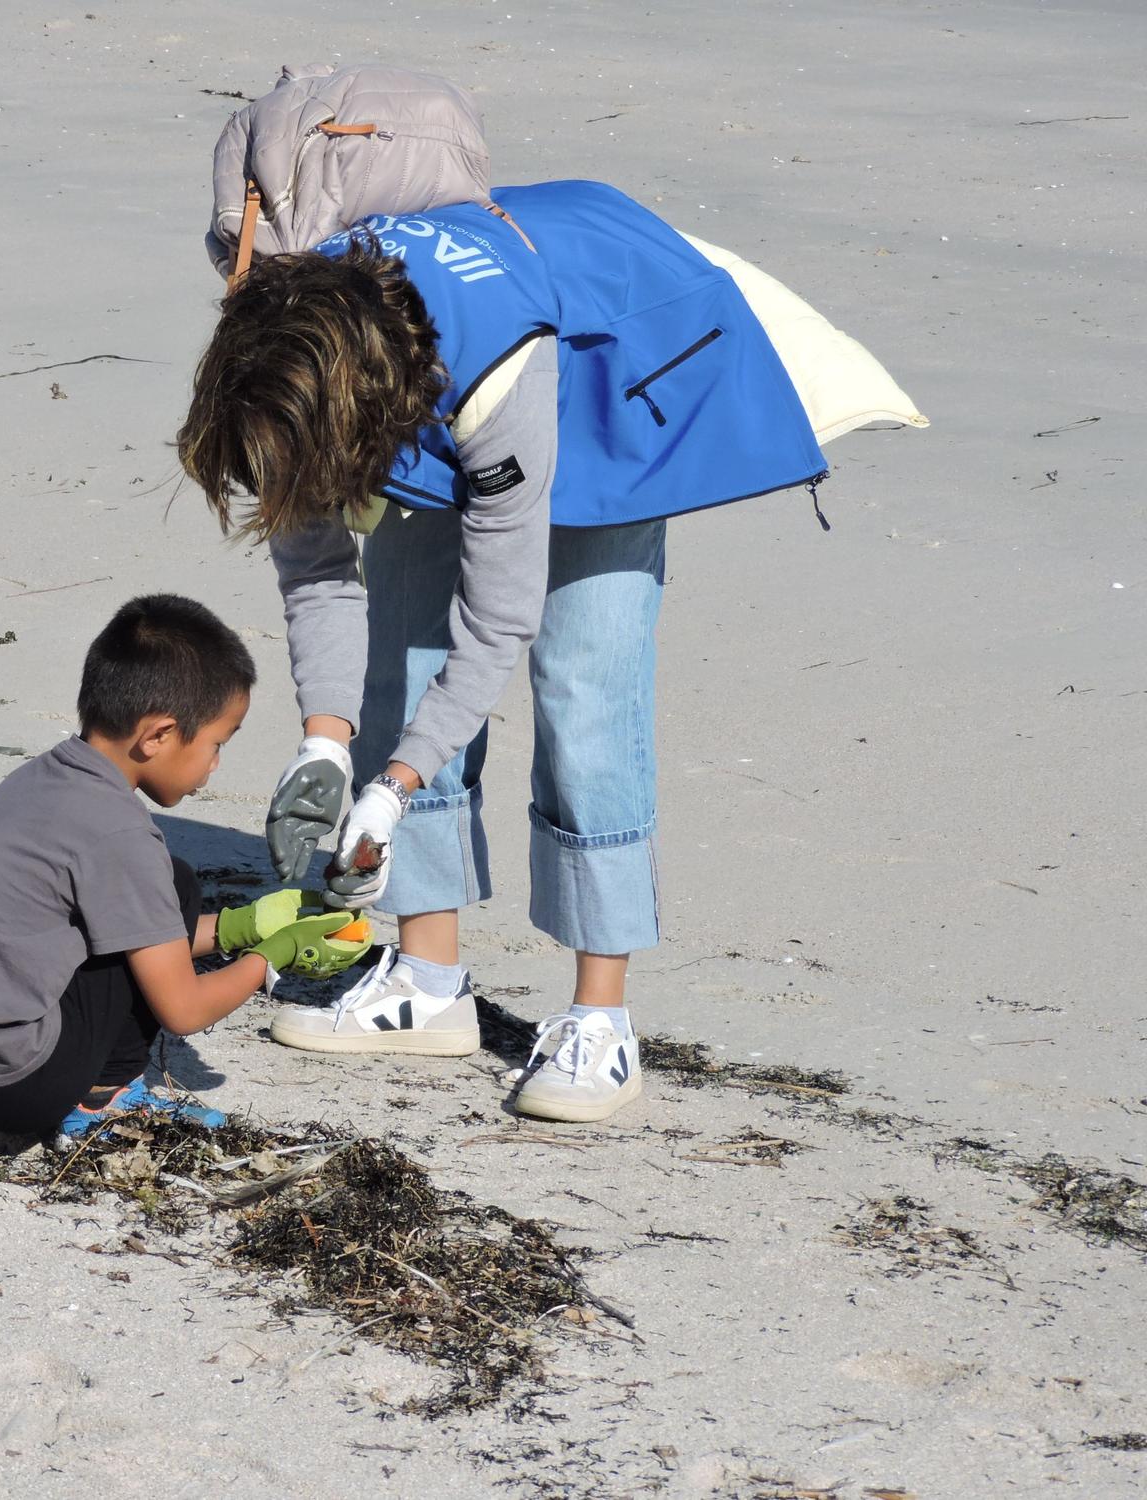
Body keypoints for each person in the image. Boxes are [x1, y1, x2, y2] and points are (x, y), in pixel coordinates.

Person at [178, 67, 839, 1124]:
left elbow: (498, 621)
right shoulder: (283, 350)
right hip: (414, 381)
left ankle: (599, 1017)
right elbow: (314, 571)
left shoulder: (494, 376)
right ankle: (428, 980)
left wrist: (387, 787)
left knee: (584, 687)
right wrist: (325, 740)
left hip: (601, 365)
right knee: (401, 650)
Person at [0, 593, 370, 1142]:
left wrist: (246, 925)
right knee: (171, 881)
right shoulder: (120, 835)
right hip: (14, 1082)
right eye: (216, 744)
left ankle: (90, 1090)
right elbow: (184, 1009)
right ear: (158, 736)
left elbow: (125, 938)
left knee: (168, 888)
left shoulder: (49, 777)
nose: (214, 765)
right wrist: (274, 956)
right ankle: (101, 1099)